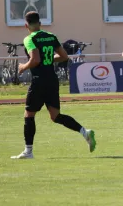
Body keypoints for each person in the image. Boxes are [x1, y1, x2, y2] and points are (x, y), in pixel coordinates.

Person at [11, 11, 96, 159]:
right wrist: (48, 60)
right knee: (55, 116)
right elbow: (64, 56)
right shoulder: (51, 36)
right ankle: (85, 132)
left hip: (39, 80)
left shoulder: (29, 38)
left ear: (26, 25)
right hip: (52, 79)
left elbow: (35, 59)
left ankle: (28, 151)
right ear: (40, 23)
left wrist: (23, 67)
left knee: (29, 114)